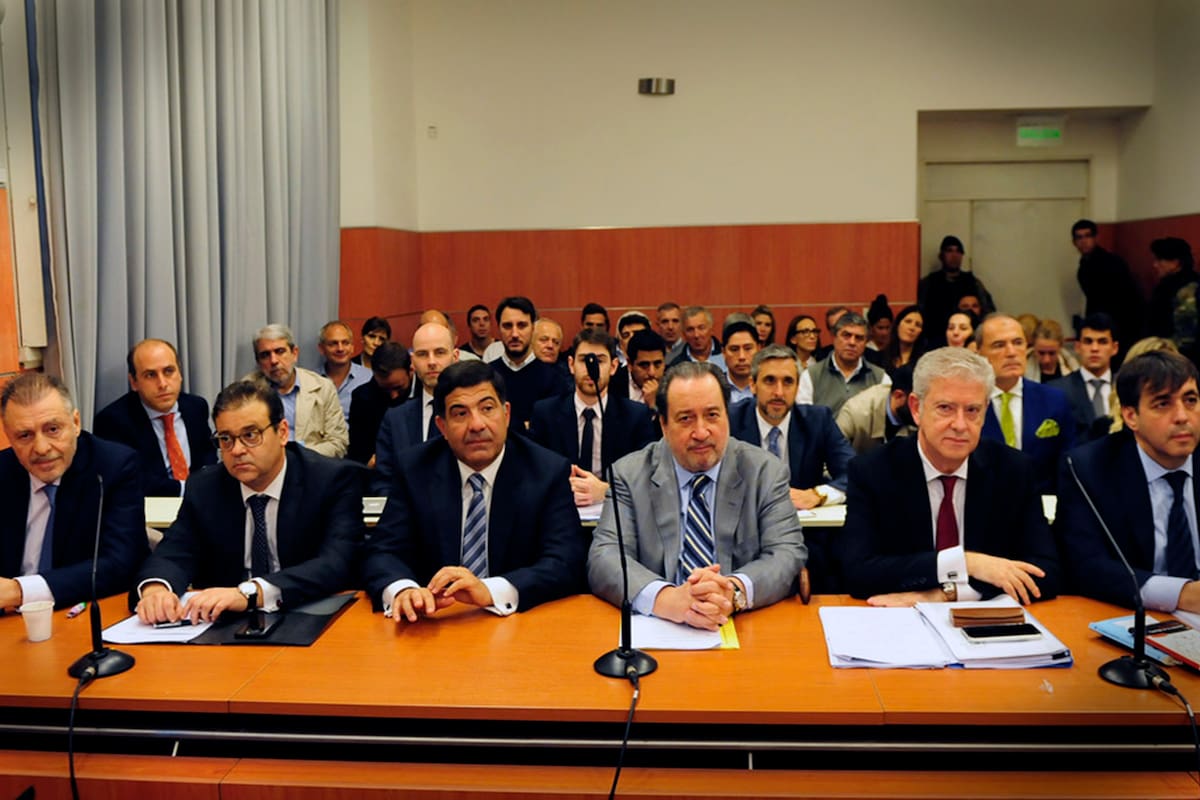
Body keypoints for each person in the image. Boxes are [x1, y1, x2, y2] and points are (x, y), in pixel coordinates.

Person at [587, 362, 807, 631]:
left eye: (712, 415)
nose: (701, 432)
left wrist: (732, 592)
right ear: (664, 425)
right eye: (686, 418)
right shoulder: (629, 474)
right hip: (658, 628)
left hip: (742, 627)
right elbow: (605, 557)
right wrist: (665, 598)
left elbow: (787, 552)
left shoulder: (765, 472)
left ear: (728, 416)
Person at [364, 361, 584, 623]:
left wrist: (490, 590)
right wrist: (404, 589)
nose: (477, 424)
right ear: (442, 427)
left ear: (507, 414)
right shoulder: (414, 469)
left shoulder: (546, 471)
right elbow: (383, 551)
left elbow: (566, 561)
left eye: (487, 408)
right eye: (460, 414)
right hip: (435, 623)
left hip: (517, 623)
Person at [838, 347, 1059, 605]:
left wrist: (945, 594)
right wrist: (966, 562)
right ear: (916, 408)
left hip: (986, 626)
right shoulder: (873, 471)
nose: (960, 425)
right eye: (945, 408)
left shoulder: (1014, 471)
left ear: (985, 411)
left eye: (972, 410)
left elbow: (1047, 572)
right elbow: (858, 573)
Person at [130, 380, 364, 623]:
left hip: (312, 615)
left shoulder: (330, 480)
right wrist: (156, 589)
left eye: (250, 435)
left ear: (282, 432)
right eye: (226, 439)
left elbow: (337, 563)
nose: (237, 450)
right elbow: (174, 552)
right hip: (227, 626)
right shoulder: (205, 487)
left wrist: (252, 592)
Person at [1057, 350, 1200, 612]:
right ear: (1131, 416)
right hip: (1137, 615)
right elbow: (1086, 566)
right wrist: (1182, 595)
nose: (1182, 416)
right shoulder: (1090, 468)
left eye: (1190, 400)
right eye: (1162, 403)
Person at [0, 373, 148, 610]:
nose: (41, 447)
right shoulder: (4, 472)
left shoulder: (112, 467)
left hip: (74, 614)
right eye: (24, 435)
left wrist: (19, 592)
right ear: (8, 436)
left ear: (76, 423)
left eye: (52, 429)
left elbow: (121, 563)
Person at [730, 345, 855, 592]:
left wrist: (818, 495)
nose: (779, 391)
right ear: (753, 385)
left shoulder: (817, 420)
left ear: (798, 388)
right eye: (769, 381)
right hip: (742, 537)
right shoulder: (732, 420)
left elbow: (855, 471)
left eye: (788, 382)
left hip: (804, 537)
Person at [529, 329, 657, 506]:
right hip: (560, 509)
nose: (591, 368)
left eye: (599, 360)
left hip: (615, 510)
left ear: (613, 367)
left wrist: (606, 490)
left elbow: (648, 478)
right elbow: (533, 473)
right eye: (584, 360)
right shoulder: (546, 413)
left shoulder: (635, 416)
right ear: (571, 365)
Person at [94, 338, 217, 497]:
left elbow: (208, 458)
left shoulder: (196, 407)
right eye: (150, 375)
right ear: (134, 382)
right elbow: (131, 480)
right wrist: (190, 489)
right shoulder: (113, 421)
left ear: (180, 374)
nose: (163, 384)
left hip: (201, 503)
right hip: (149, 510)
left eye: (168, 371)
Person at [976, 314, 1074, 494]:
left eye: (1018, 342)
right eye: (999, 345)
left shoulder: (1054, 400)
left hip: (1042, 506)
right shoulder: (967, 404)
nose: (1011, 352)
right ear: (979, 352)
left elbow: (1067, 464)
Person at [372, 322, 459, 494]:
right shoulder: (395, 419)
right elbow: (383, 481)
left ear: (455, 357)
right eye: (423, 354)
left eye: (440, 352)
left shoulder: (474, 415)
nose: (432, 362)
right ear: (413, 362)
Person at [251, 323, 348, 458]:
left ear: (294, 353)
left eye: (280, 351)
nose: (273, 361)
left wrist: (296, 456)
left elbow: (338, 443)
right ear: (258, 362)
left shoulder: (323, 387)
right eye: (265, 355)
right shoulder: (247, 391)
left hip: (311, 468)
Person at [488, 296, 564, 434]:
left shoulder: (554, 378)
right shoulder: (486, 376)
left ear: (533, 328)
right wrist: (525, 426)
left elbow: (552, 431)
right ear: (498, 328)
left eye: (522, 325)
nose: (515, 334)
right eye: (507, 326)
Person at [1072, 218, 1144, 354]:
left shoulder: (1111, 263)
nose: (1084, 241)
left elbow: (1122, 298)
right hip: (1104, 323)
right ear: (1074, 242)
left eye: (1088, 236)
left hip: (1119, 324)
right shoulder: (1085, 265)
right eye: (1079, 237)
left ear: (1095, 238)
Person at [797, 311, 889, 417]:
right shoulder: (811, 376)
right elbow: (804, 421)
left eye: (859, 338)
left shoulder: (880, 378)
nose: (852, 342)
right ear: (834, 338)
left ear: (865, 343)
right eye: (846, 335)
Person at [1048, 312, 1120, 443]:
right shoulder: (1057, 391)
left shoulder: (1126, 387)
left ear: (1114, 348)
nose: (1094, 348)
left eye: (1102, 342)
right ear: (1077, 347)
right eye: (1088, 341)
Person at [917, 235, 996, 347]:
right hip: (934, 342)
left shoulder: (972, 282)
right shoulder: (929, 283)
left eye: (958, 251)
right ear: (941, 255)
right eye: (949, 251)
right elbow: (920, 313)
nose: (954, 255)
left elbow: (988, 312)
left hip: (970, 342)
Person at [347, 342, 411, 466]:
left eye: (399, 387)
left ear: (411, 371)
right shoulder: (362, 398)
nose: (394, 395)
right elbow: (357, 452)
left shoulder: (425, 391)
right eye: (385, 389)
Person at [835, 361, 918, 455]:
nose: (922, 411)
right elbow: (828, 459)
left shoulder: (920, 419)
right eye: (917, 403)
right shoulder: (855, 412)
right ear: (898, 396)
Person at [1147, 236, 1199, 365]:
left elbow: (1186, 336)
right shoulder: (1167, 286)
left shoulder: (1187, 290)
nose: (1155, 265)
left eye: (1160, 260)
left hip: (1177, 359)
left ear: (1175, 263)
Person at [318, 320, 374, 422]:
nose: (340, 348)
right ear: (321, 348)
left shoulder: (369, 378)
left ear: (352, 347)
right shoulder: (311, 381)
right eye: (333, 344)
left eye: (345, 343)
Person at [668, 306, 726, 370]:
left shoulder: (726, 355)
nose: (696, 335)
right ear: (683, 334)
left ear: (711, 329)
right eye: (690, 329)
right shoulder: (677, 366)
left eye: (701, 328)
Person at [1023, 319, 1079, 383]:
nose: (1047, 360)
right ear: (1033, 346)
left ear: (1060, 347)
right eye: (1041, 353)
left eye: (1052, 353)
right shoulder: (1021, 369)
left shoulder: (1073, 367)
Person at [625, 329, 667, 410]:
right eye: (644, 365)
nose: (652, 372)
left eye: (657, 364)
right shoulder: (613, 386)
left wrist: (654, 405)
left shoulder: (674, 383)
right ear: (629, 364)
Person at [721, 319, 760, 404]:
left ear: (758, 349)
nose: (741, 356)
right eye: (734, 349)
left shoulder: (768, 386)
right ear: (723, 353)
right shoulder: (715, 387)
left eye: (748, 348)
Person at [883, 305, 926, 376]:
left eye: (918, 325)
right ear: (898, 325)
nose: (912, 328)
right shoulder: (881, 357)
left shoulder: (924, 361)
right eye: (908, 321)